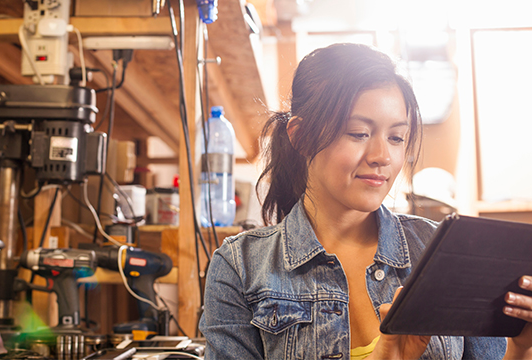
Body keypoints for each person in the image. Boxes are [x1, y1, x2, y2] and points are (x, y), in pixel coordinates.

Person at [198, 43, 532, 359]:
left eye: (396, 137)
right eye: (359, 133)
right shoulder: (239, 268)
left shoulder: (450, 253)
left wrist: (521, 350)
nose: (381, 156)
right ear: (300, 136)